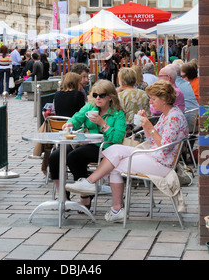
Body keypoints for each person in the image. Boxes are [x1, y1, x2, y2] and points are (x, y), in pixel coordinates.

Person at [66, 80, 189, 222]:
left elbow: (164, 145)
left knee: (115, 165)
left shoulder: (174, 117)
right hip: (155, 154)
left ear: (164, 99)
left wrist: (150, 126)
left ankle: (112, 204)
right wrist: (146, 122)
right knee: (114, 150)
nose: (150, 102)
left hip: (162, 162)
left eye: (153, 99)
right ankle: (95, 188)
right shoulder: (167, 113)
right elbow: (152, 141)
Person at [49, 80, 126, 211]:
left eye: (101, 95)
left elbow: (118, 138)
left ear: (110, 97)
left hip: (105, 147)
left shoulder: (118, 113)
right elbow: (77, 117)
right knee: (55, 157)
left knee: (75, 157)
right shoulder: (90, 106)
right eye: (95, 94)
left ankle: (85, 194)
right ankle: (63, 196)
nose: (97, 98)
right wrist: (70, 124)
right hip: (85, 142)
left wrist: (103, 124)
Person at [116, 67, 151, 132]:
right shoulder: (144, 93)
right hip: (143, 128)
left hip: (128, 130)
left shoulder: (120, 96)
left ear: (121, 80)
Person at [172, 60, 198, 131]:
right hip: (194, 118)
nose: (182, 78)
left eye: (183, 76)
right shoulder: (190, 84)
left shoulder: (194, 84)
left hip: (190, 120)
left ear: (190, 74)